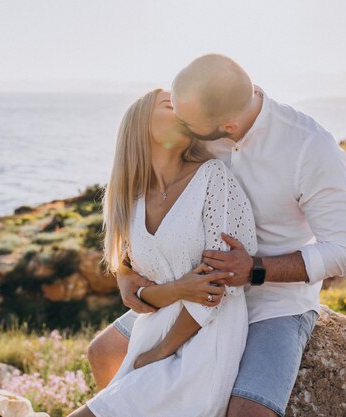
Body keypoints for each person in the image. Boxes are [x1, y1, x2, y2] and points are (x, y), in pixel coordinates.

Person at [87, 54, 346, 417]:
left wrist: (255, 269)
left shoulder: (310, 147)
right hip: (192, 287)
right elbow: (146, 203)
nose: (179, 124)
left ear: (228, 127)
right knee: (104, 352)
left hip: (274, 301)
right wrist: (126, 275)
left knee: (248, 412)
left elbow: (345, 250)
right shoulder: (203, 110)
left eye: (184, 120)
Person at [67, 88, 258, 417]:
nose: (182, 109)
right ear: (140, 124)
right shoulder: (134, 199)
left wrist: (158, 353)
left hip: (202, 344)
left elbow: (218, 287)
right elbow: (141, 297)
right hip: (151, 335)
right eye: (170, 104)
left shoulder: (213, 178)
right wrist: (172, 292)